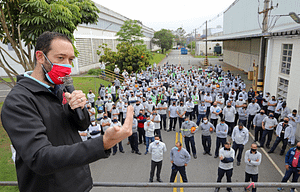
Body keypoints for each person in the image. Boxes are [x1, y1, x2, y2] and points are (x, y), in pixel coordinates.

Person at [1, 31, 134, 192]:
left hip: (80, 183)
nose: (67, 65)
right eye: (60, 58)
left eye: (70, 60)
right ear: (40, 57)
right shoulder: (19, 101)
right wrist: (102, 143)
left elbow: (82, 125)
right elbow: (40, 158)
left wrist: (77, 108)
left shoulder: (59, 89)